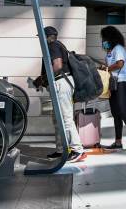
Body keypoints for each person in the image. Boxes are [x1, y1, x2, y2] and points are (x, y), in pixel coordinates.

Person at [33, 26, 86, 162]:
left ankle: (77, 150)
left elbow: (57, 66)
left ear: (48, 36)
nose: (40, 40)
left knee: (66, 118)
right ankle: (61, 149)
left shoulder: (53, 45)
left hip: (61, 83)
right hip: (60, 83)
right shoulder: (56, 45)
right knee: (57, 119)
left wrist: (43, 79)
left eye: (41, 37)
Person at [100, 26, 126, 151]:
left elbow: (119, 64)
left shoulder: (118, 48)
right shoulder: (110, 50)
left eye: (104, 38)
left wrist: (107, 68)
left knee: (123, 111)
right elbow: (112, 65)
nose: (103, 40)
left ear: (111, 37)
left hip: (122, 83)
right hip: (113, 83)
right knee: (115, 113)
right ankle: (118, 142)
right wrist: (105, 66)